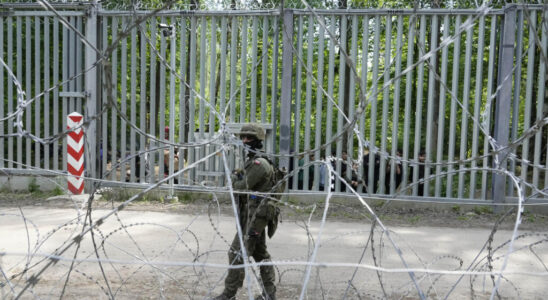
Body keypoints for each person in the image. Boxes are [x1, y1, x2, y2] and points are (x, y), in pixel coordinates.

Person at [212, 123, 277, 300]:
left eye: (249, 138)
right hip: (252, 214)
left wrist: (233, 178)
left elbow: (240, 187)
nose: (245, 141)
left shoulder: (259, 164)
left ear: (258, 140)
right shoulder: (253, 162)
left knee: (236, 253)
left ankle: (229, 294)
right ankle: (269, 294)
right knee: (260, 254)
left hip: (256, 216)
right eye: (243, 137)